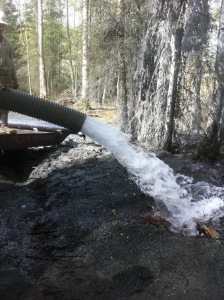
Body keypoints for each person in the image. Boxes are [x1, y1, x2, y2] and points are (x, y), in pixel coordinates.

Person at [0, 11, 18, 128]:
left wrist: (14, 78)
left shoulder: (6, 42)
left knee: (6, 101)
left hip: (7, 76)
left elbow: (11, 60)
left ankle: (3, 125)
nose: (1, 28)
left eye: (3, 25)